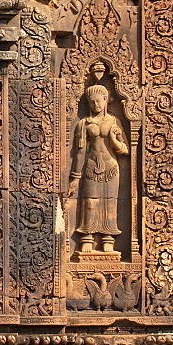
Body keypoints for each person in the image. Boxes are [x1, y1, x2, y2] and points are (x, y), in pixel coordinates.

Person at [68, 84, 129, 254]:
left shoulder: (113, 122)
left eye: (98, 101)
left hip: (110, 167)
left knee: (110, 203)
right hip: (91, 166)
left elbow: (124, 149)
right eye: (91, 102)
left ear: (105, 100)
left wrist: (113, 138)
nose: (95, 105)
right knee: (90, 202)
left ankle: (107, 238)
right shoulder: (83, 124)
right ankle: (87, 237)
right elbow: (80, 152)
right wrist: (75, 177)